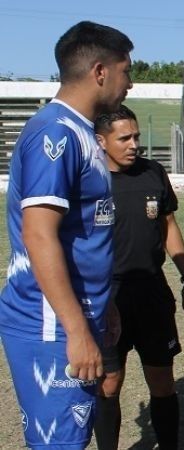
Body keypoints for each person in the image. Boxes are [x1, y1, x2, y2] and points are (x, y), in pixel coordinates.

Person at [0, 21, 132, 448]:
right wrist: (76, 331)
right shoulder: (54, 133)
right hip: (51, 326)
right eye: (126, 71)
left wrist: (103, 305)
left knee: (74, 436)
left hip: (79, 315)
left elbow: (85, 234)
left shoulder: (81, 131)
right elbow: (40, 236)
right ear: (100, 71)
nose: (129, 82)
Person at [90, 105, 184, 449]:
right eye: (124, 138)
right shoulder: (88, 179)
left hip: (152, 291)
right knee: (108, 384)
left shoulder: (153, 172)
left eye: (136, 136)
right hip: (108, 295)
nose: (134, 144)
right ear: (101, 141)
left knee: (162, 382)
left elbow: (168, 225)